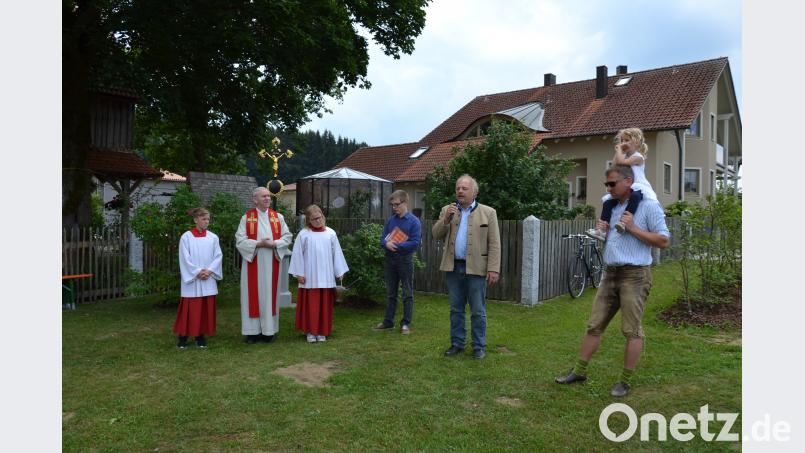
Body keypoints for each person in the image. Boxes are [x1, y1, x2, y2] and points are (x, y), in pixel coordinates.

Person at [556, 166, 670, 397]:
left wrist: (634, 228)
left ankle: (624, 382)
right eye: (606, 184)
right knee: (594, 325)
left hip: (635, 275)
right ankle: (579, 371)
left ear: (628, 181)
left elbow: (663, 240)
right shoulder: (612, 207)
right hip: (610, 273)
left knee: (631, 330)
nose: (608, 188)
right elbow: (614, 239)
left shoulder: (648, 206)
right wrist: (603, 231)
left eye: (612, 184)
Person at [432, 174, 501, 359]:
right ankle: (457, 344)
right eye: (458, 188)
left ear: (474, 192)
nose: (460, 191)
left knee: (478, 310)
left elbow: (494, 243)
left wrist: (493, 268)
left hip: (477, 269)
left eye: (464, 188)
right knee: (456, 309)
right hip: (453, 268)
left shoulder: (488, 212)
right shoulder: (448, 210)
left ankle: (479, 346)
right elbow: (436, 234)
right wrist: (445, 220)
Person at [235, 187, 293, 344]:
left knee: (269, 295)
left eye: (268, 196)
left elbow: (287, 237)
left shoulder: (278, 217)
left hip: (271, 261)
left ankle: (269, 331)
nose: (267, 198)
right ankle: (252, 333)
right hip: (253, 261)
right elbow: (240, 240)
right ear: (255, 199)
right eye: (263, 196)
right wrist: (258, 244)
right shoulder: (246, 218)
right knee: (251, 296)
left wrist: (274, 244)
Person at [289, 205, 349, 343]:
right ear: (309, 220)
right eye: (314, 219)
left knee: (324, 305)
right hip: (309, 276)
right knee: (311, 306)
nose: (318, 220)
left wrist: (339, 271)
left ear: (323, 216)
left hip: (326, 276)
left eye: (320, 217)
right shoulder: (304, 234)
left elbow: (337, 254)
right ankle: (311, 331)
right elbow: (297, 254)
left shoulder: (331, 233)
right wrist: (299, 273)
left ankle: (322, 331)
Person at [587, 128, 658, 241]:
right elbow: (615, 166)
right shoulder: (623, 156)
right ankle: (602, 230)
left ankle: (623, 223)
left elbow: (622, 163)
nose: (623, 143)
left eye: (627, 140)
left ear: (636, 142)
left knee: (635, 197)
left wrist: (620, 150)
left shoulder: (638, 157)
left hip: (637, 186)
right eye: (622, 140)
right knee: (608, 203)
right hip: (625, 187)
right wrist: (619, 151)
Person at [373, 190, 422, 335]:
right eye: (392, 205)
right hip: (390, 260)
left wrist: (397, 246)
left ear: (405, 203)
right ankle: (388, 322)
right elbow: (383, 239)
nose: (394, 207)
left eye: (396, 204)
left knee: (407, 293)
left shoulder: (414, 221)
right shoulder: (390, 221)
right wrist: (385, 244)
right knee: (391, 293)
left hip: (405, 261)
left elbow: (415, 243)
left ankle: (405, 323)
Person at [174, 208, 223, 349]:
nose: (206, 222)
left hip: (208, 277)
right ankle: (183, 337)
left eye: (208, 219)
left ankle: (200, 336)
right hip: (193, 279)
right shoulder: (186, 237)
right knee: (189, 309)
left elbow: (218, 256)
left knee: (203, 310)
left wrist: (209, 271)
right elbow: (184, 257)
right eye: (203, 219)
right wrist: (197, 272)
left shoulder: (213, 237)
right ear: (196, 220)